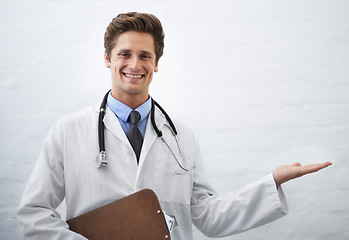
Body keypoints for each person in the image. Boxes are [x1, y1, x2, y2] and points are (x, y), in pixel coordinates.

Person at [17, 12, 332, 240]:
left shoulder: (181, 136)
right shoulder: (68, 131)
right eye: (124, 54)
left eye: (145, 55)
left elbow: (206, 217)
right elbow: (34, 211)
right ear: (107, 59)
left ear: (156, 63)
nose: (135, 65)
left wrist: (272, 182)